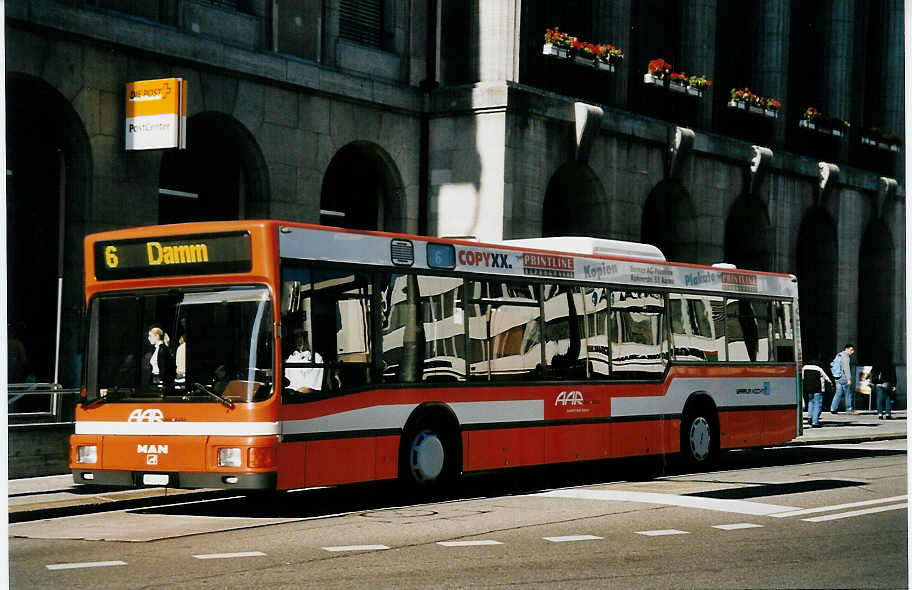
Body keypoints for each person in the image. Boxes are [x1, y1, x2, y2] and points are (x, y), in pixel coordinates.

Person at [802, 358, 832, 428]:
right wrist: (831, 383)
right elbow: (826, 377)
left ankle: (809, 417)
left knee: (811, 402)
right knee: (818, 404)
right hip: (818, 388)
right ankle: (815, 421)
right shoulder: (819, 368)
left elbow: (802, 377)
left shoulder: (805, 368)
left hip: (808, 388)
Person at [829, 343, 855, 414]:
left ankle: (833, 408)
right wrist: (849, 379)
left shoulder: (838, 355)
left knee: (838, 393)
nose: (852, 352)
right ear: (846, 349)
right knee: (848, 393)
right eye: (851, 350)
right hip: (843, 377)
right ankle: (849, 409)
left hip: (837, 376)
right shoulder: (845, 357)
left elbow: (832, 364)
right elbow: (846, 369)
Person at [147, 327, 175, 391]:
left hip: (160, 381)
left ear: (157, 336)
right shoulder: (157, 349)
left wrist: (164, 382)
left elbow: (164, 367)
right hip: (156, 379)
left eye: (150, 336)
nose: (149, 338)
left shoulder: (162, 349)